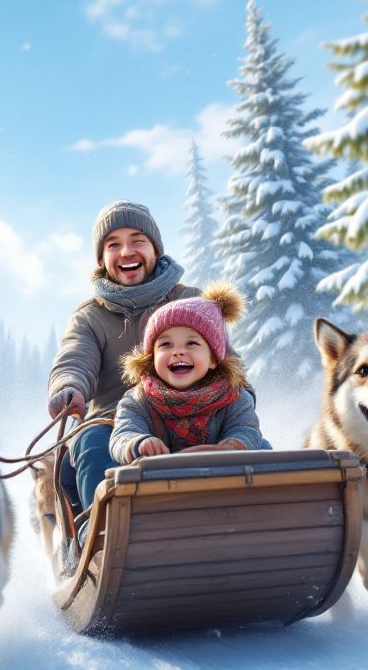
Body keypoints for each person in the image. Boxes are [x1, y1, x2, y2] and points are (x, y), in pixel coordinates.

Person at [47, 200, 203, 516]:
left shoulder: (189, 300)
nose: (126, 251)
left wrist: (238, 393)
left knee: (244, 437)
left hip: (191, 409)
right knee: (91, 443)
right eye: (113, 244)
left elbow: (223, 357)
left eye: (137, 241)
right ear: (103, 260)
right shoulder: (89, 318)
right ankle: (101, 537)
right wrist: (69, 386)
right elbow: (75, 358)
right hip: (112, 418)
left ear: (155, 250)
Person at [109, 284, 262, 464]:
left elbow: (245, 428)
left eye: (191, 343)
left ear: (213, 359)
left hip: (223, 478)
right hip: (158, 483)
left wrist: (235, 445)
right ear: (152, 358)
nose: (178, 352)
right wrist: (138, 442)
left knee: (264, 448)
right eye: (166, 345)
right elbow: (123, 432)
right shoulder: (138, 400)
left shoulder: (233, 398)